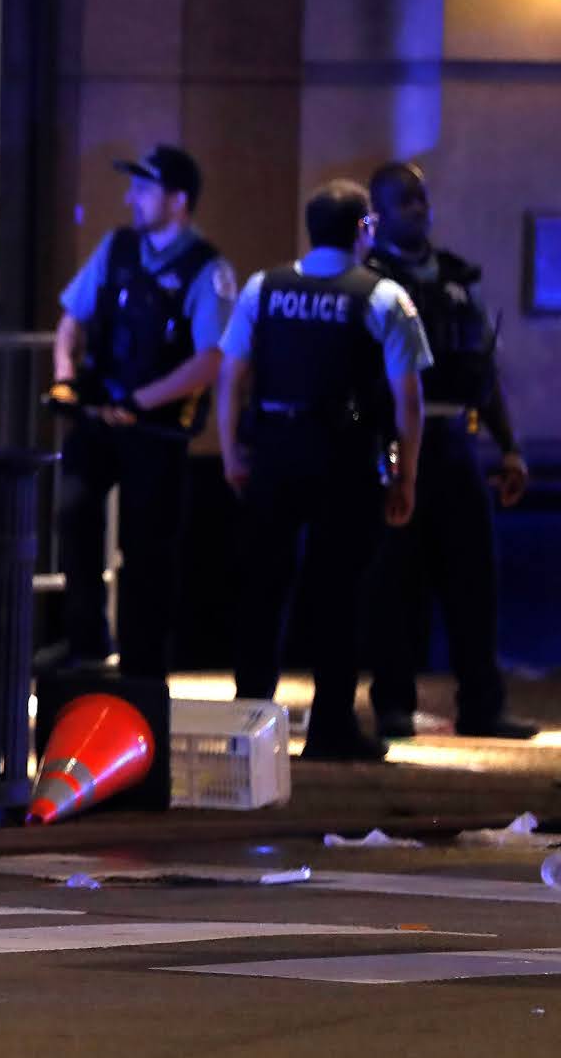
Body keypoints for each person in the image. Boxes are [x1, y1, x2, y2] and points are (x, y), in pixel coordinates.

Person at [218, 179, 430, 763]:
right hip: (344, 455)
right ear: (365, 228)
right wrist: (407, 474)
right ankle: (332, 727)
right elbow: (407, 399)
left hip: (275, 450)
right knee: (338, 593)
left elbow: (231, 374)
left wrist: (233, 451)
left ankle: (248, 721)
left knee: (262, 589)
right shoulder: (383, 298)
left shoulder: (264, 288)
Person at [362, 163, 536, 739]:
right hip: (392, 444)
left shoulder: (459, 279)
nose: (418, 206)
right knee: (395, 583)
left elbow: (483, 373)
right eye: (404, 199)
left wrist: (509, 449)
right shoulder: (370, 280)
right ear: (378, 212)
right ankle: (392, 704)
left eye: (422, 197)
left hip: (456, 443)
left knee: (475, 581)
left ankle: (483, 707)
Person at [47, 144, 236, 676]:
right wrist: (65, 379)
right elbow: (71, 318)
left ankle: (143, 660)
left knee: (148, 546)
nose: (131, 198)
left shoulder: (208, 268)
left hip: (156, 432)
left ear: (179, 200)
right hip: (100, 417)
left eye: (144, 189)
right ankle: (85, 642)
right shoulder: (117, 248)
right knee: (74, 515)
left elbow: (210, 358)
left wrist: (140, 403)